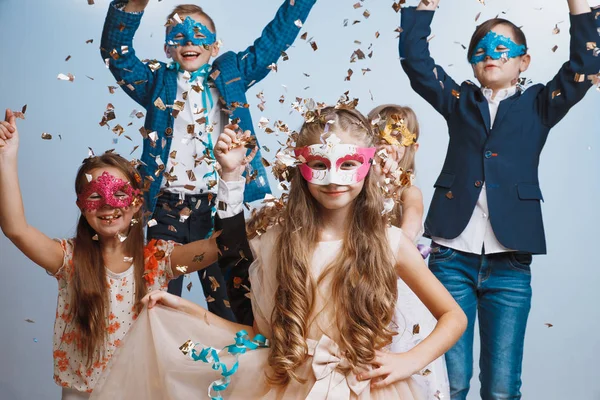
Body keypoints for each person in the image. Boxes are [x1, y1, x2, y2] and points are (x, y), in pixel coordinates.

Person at [89, 106, 467, 400]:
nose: (333, 178)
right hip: (292, 386)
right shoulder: (276, 243)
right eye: (320, 165)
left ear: (367, 167)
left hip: (369, 389)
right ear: (301, 168)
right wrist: (190, 311)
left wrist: (409, 362)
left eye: (348, 165)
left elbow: (453, 316)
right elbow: (259, 333)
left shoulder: (390, 243)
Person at [398, 0, 600, 398]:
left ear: (524, 61)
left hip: (510, 263)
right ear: (473, 62)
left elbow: (584, 67)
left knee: (502, 388)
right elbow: (416, 62)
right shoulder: (458, 101)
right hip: (450, 258)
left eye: (504, 48)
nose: (492, 55)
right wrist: (422, 8)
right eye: (482, 49)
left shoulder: (541, 105)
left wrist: (581, 9)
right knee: (448, 382)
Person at [100, 0, 317, 320]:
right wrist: (130, 7)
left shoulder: (234, 71)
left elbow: (274, 41)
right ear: (166, 48)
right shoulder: (156, 82)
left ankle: (234, 370)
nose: (189, 42)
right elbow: (115, 53)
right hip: (167, 210)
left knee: (233, 307)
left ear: (215, 46)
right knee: (156, 307)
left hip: (222, 209)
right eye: (180, 35)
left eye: (199, 35)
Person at [0, 110, 220, 400]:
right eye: (94, 196)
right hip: (83, 393)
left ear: (137, 203)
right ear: (81, 204)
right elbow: (16, 229)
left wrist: (230, 177)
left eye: (119, 195)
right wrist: (7, 156)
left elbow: (220, 246)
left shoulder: (161, 259)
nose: (107, 206)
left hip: (143, 390)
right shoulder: (69, 259)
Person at [369, 104, 450, 399]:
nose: (386, 143)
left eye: (396, 136)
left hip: (402, 288)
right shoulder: (353, 189)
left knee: (404, 355)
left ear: (410, 146)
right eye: (378, 134)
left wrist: (403, 238)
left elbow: (411, 225)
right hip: (361, 283)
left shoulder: (408, 192)